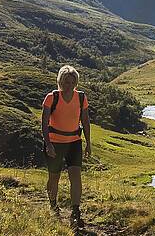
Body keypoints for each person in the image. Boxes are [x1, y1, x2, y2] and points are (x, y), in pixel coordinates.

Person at [41, 65, 91, 219]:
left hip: (74, 142)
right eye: (66, 82)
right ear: (60, 82)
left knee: (75, 176)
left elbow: (85, 120)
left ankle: (75, 211)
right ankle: (53, 205)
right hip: (55, 142)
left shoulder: (81, 97)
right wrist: (48, 144)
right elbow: (44, 123)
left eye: (72, 82)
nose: (69, 85)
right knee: (54, 177)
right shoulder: (51, 97)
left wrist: (88, 143)